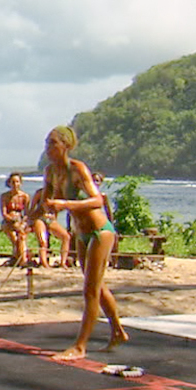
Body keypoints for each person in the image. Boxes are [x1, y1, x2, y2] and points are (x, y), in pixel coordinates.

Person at [41, 125, 126, 359]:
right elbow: (47, 201)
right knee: (96, 286)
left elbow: (97, 200)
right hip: (81, 233)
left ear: (65, 146)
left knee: (90, 290)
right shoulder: (50, 172)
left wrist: (66, 205)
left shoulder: (77, 169)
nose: (48, 148)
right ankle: (117, 330)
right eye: (47, 143)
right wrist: (39, 215)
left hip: (100, 231)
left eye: (52, 143)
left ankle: (80, 346)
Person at [25, 172, 70, 267]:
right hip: (39, 219)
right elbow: (31, 209)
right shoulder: (39, 193)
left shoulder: (58, 194)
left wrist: (54, 217)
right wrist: (29, 222)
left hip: (51, 220)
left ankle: (63, 262)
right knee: (43, 242)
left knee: (66, 237)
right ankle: (44, 264)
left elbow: (58, 209)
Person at [0, 171, 32, 265]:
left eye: (17, 182)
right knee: (15, 238)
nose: (15, 184)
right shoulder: (4, 196)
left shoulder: (25, 196)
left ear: (20, 183)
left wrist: (23, 223)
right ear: (9, 183)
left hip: (20, 222)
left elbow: (27, 213)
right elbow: (4, 213)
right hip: (8, 221)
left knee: (21, 237)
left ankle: (19, 259)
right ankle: (22, 260)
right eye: (13, 182)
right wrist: (12, 220)